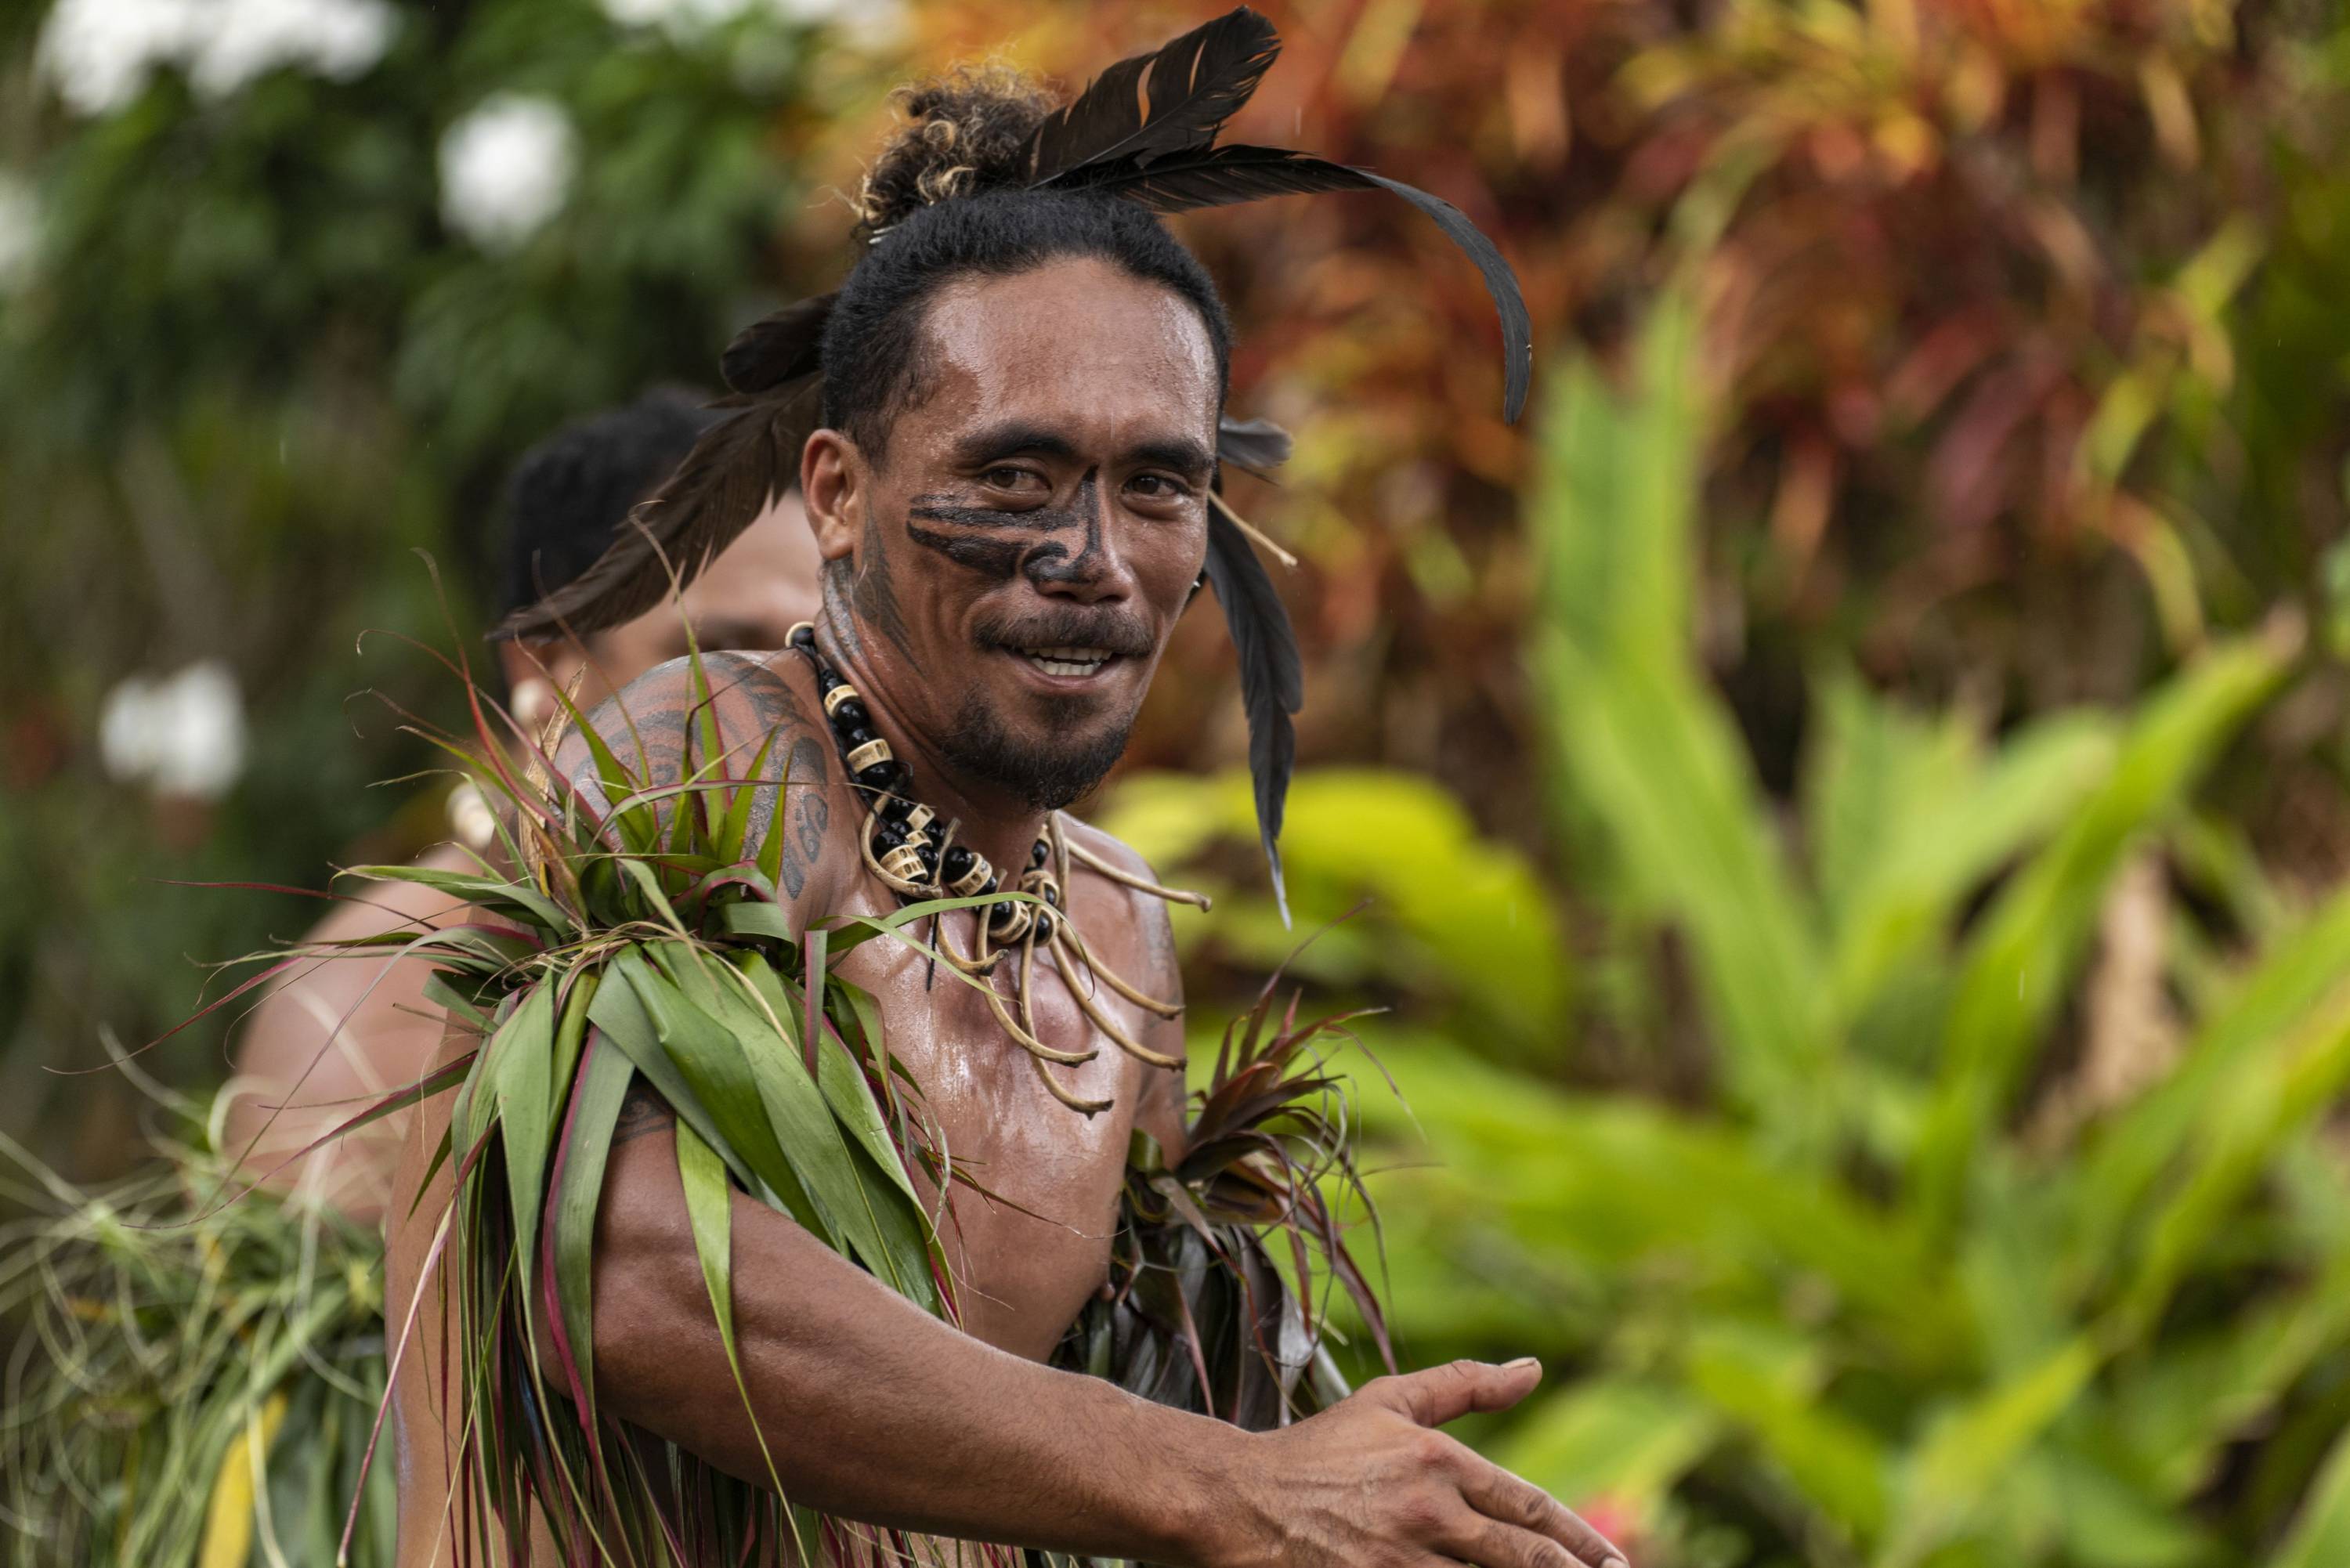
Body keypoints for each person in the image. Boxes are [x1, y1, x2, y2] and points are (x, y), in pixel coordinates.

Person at [385, 17, 1619, 1567]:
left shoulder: (1118, 939)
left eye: (1157, 483)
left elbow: (1099, 1461)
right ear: (838, 492)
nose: (1092, 560)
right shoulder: (704, 751)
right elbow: (620, 1274)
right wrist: (1230, 1484)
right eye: (1012, 476)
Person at [224, 389, 822, 1222]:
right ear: (547, 666)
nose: (791, 707)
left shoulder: (855, 945)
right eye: (722, 653)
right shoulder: (367, 1000)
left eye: (814, 659)